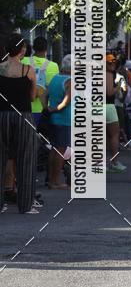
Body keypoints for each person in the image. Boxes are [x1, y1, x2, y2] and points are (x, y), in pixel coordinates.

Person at [0, 34, 38, 214]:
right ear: (22, 50)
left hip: (2, 116)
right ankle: (26, 205)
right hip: (23, 116)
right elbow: (32, 96)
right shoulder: (28, 70)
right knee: (26, 159)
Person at [47, 55, 72, 190]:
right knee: (60, 151)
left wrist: (48, 108)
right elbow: (66, 102)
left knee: (54, 149)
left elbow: (45, 94)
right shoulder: (69, 81)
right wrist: (55, 109)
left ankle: (51, 179)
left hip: (53, 119)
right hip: (64, 119)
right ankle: (55, 181)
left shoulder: (55, 78)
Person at [22, 36, 59, 127]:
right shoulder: (53, 66)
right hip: (44, 110)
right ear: (46, 49)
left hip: (26, 109)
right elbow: (54, 89)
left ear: (33, 47)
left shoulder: (23, 61)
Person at [106, 55, 127, 173]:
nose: (112, 65)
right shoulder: (108, 74)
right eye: (110, 63)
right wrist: (118, 86)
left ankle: (101, 164)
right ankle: (114, 162)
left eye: (114, 62)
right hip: (108, 106)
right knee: (114, 135)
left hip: (95, 107)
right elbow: (109, 92)